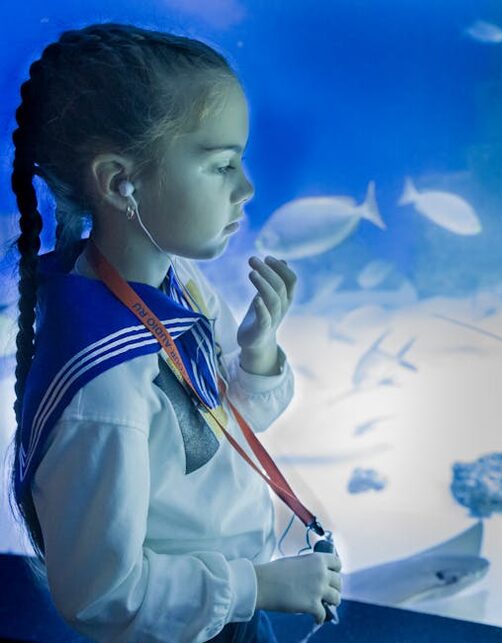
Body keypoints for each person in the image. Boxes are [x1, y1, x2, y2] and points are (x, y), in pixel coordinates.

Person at [5, 22, 341, 642]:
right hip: (190, 624)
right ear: (119, 183)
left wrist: (257, 353)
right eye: (221, 165)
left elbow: (209, 433)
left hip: (223, 597)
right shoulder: (104, 392)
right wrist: (259, 586)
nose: (247, 188)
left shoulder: (174, 284)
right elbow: (106, 596)